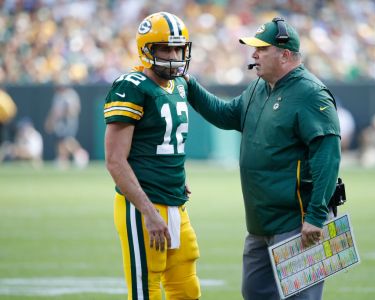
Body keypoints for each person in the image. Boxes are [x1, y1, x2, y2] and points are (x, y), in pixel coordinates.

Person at [184, 17, 341, 300]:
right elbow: (225, 114)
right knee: (255, 293)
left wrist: (316, 216)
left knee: (299, 297)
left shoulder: (310, 93)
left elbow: (327, 158)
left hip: (298, 221)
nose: (253, 54)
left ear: (285, 55)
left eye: (261, 49)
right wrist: (189, 85)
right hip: (260, 223)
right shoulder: (258, 87)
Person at [104, 12, 200, 300]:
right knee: (146, 288)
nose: (173, 55)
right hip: (142, 206)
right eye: (165, 48)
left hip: (174, 202)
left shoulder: (180, 84)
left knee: (186, 284)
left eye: (177, 48)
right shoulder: (131, 86)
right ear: (147, 50)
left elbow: (163, 144)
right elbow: (115, 160)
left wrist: (174, 178)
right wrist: (148, 211)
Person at [45, 84, 89, 168]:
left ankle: (81, 154)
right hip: (60, 122)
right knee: (60, 140)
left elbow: (74, 109)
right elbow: (54, 110)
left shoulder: (71, 94)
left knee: (67, 140)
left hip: (68, 121)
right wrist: (51, 120)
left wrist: (64, 114)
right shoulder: (57, 96)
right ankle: (63, 159)